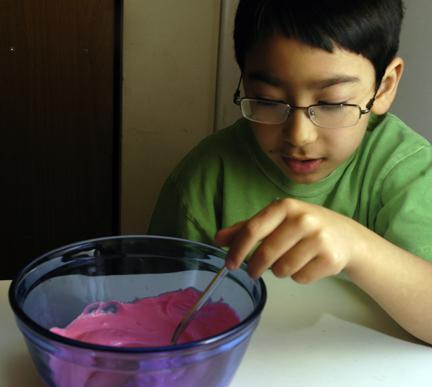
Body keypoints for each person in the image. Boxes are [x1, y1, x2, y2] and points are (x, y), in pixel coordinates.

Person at [149, 0, 432, 344]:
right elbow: (160, 315)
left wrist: (356, 246)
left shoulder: (407, 172)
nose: (299, 136)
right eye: (268, 100)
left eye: (332, 104)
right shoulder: (205, 180)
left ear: (384, 87)